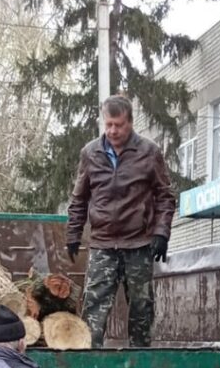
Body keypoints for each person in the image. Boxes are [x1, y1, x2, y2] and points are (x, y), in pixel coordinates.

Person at [66, 94, 177, 348]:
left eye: (119, 124)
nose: (113, 130)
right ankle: (90, 367)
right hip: (103, 243)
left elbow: (165, 196)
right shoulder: (90, 153)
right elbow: (79, 198)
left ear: (130, 122)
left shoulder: (149, 153)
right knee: (93, 308)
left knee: (142, 308)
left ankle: (139, 366)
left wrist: (162, 233)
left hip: (138, 244)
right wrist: (73, 234)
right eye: (108, 125)